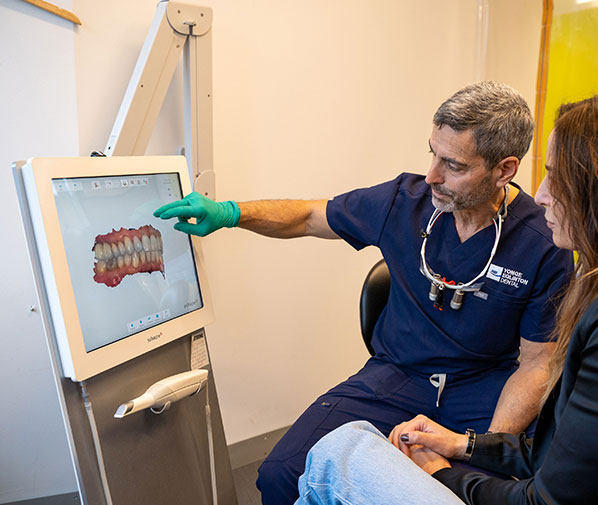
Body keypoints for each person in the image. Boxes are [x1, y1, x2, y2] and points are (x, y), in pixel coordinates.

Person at [293, 93, 598, 505]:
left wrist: (444, 475)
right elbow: (563, 451)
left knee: (341, 452)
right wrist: (462, 445)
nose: (542, 195)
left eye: (556, 176)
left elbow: (548, 500)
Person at [153, 81, 574, 505]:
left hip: (483, 389)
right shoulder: (404, 201)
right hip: (395, 376)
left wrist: (481, 448)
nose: (432, 176)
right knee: (283, 475)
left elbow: (537, 363)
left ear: (504, 169)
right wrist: (231, 213)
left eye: (453, 165)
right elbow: (309, 216)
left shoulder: (541, 241)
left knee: (459, 493)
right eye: (432, 153)